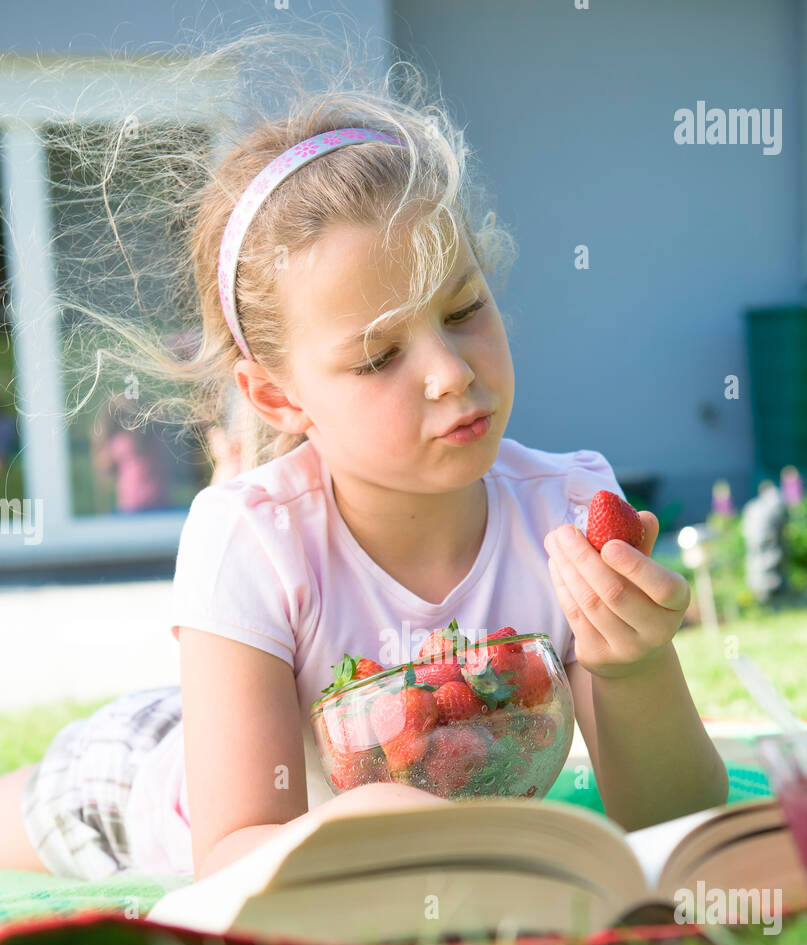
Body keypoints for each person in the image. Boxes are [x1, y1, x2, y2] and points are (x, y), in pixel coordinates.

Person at [0, 49, 727, 882]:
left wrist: (635, 668)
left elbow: (678, 822)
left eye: (464, 309)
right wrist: (378, 821)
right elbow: (229, 857)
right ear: (276, 399)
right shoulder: (250, 538)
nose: (451, 371)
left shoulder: (567, 507)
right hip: (137, 784)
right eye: (380, 357)